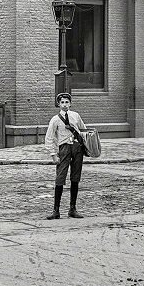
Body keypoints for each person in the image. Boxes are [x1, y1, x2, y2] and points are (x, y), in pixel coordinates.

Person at [44, 91, 90, 219]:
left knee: (75, 177)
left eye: (67, 102)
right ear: (58, 104)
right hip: (63, 148)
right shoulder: (55, 119)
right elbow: (49, 137)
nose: (64, 105)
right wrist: (53, 154)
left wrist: (86, 144)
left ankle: (72, 209)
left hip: (76, 148)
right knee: (60, 177)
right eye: (62, 102)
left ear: (70, 104)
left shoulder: (76, 116)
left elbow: (83, 130)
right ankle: (56, 210)